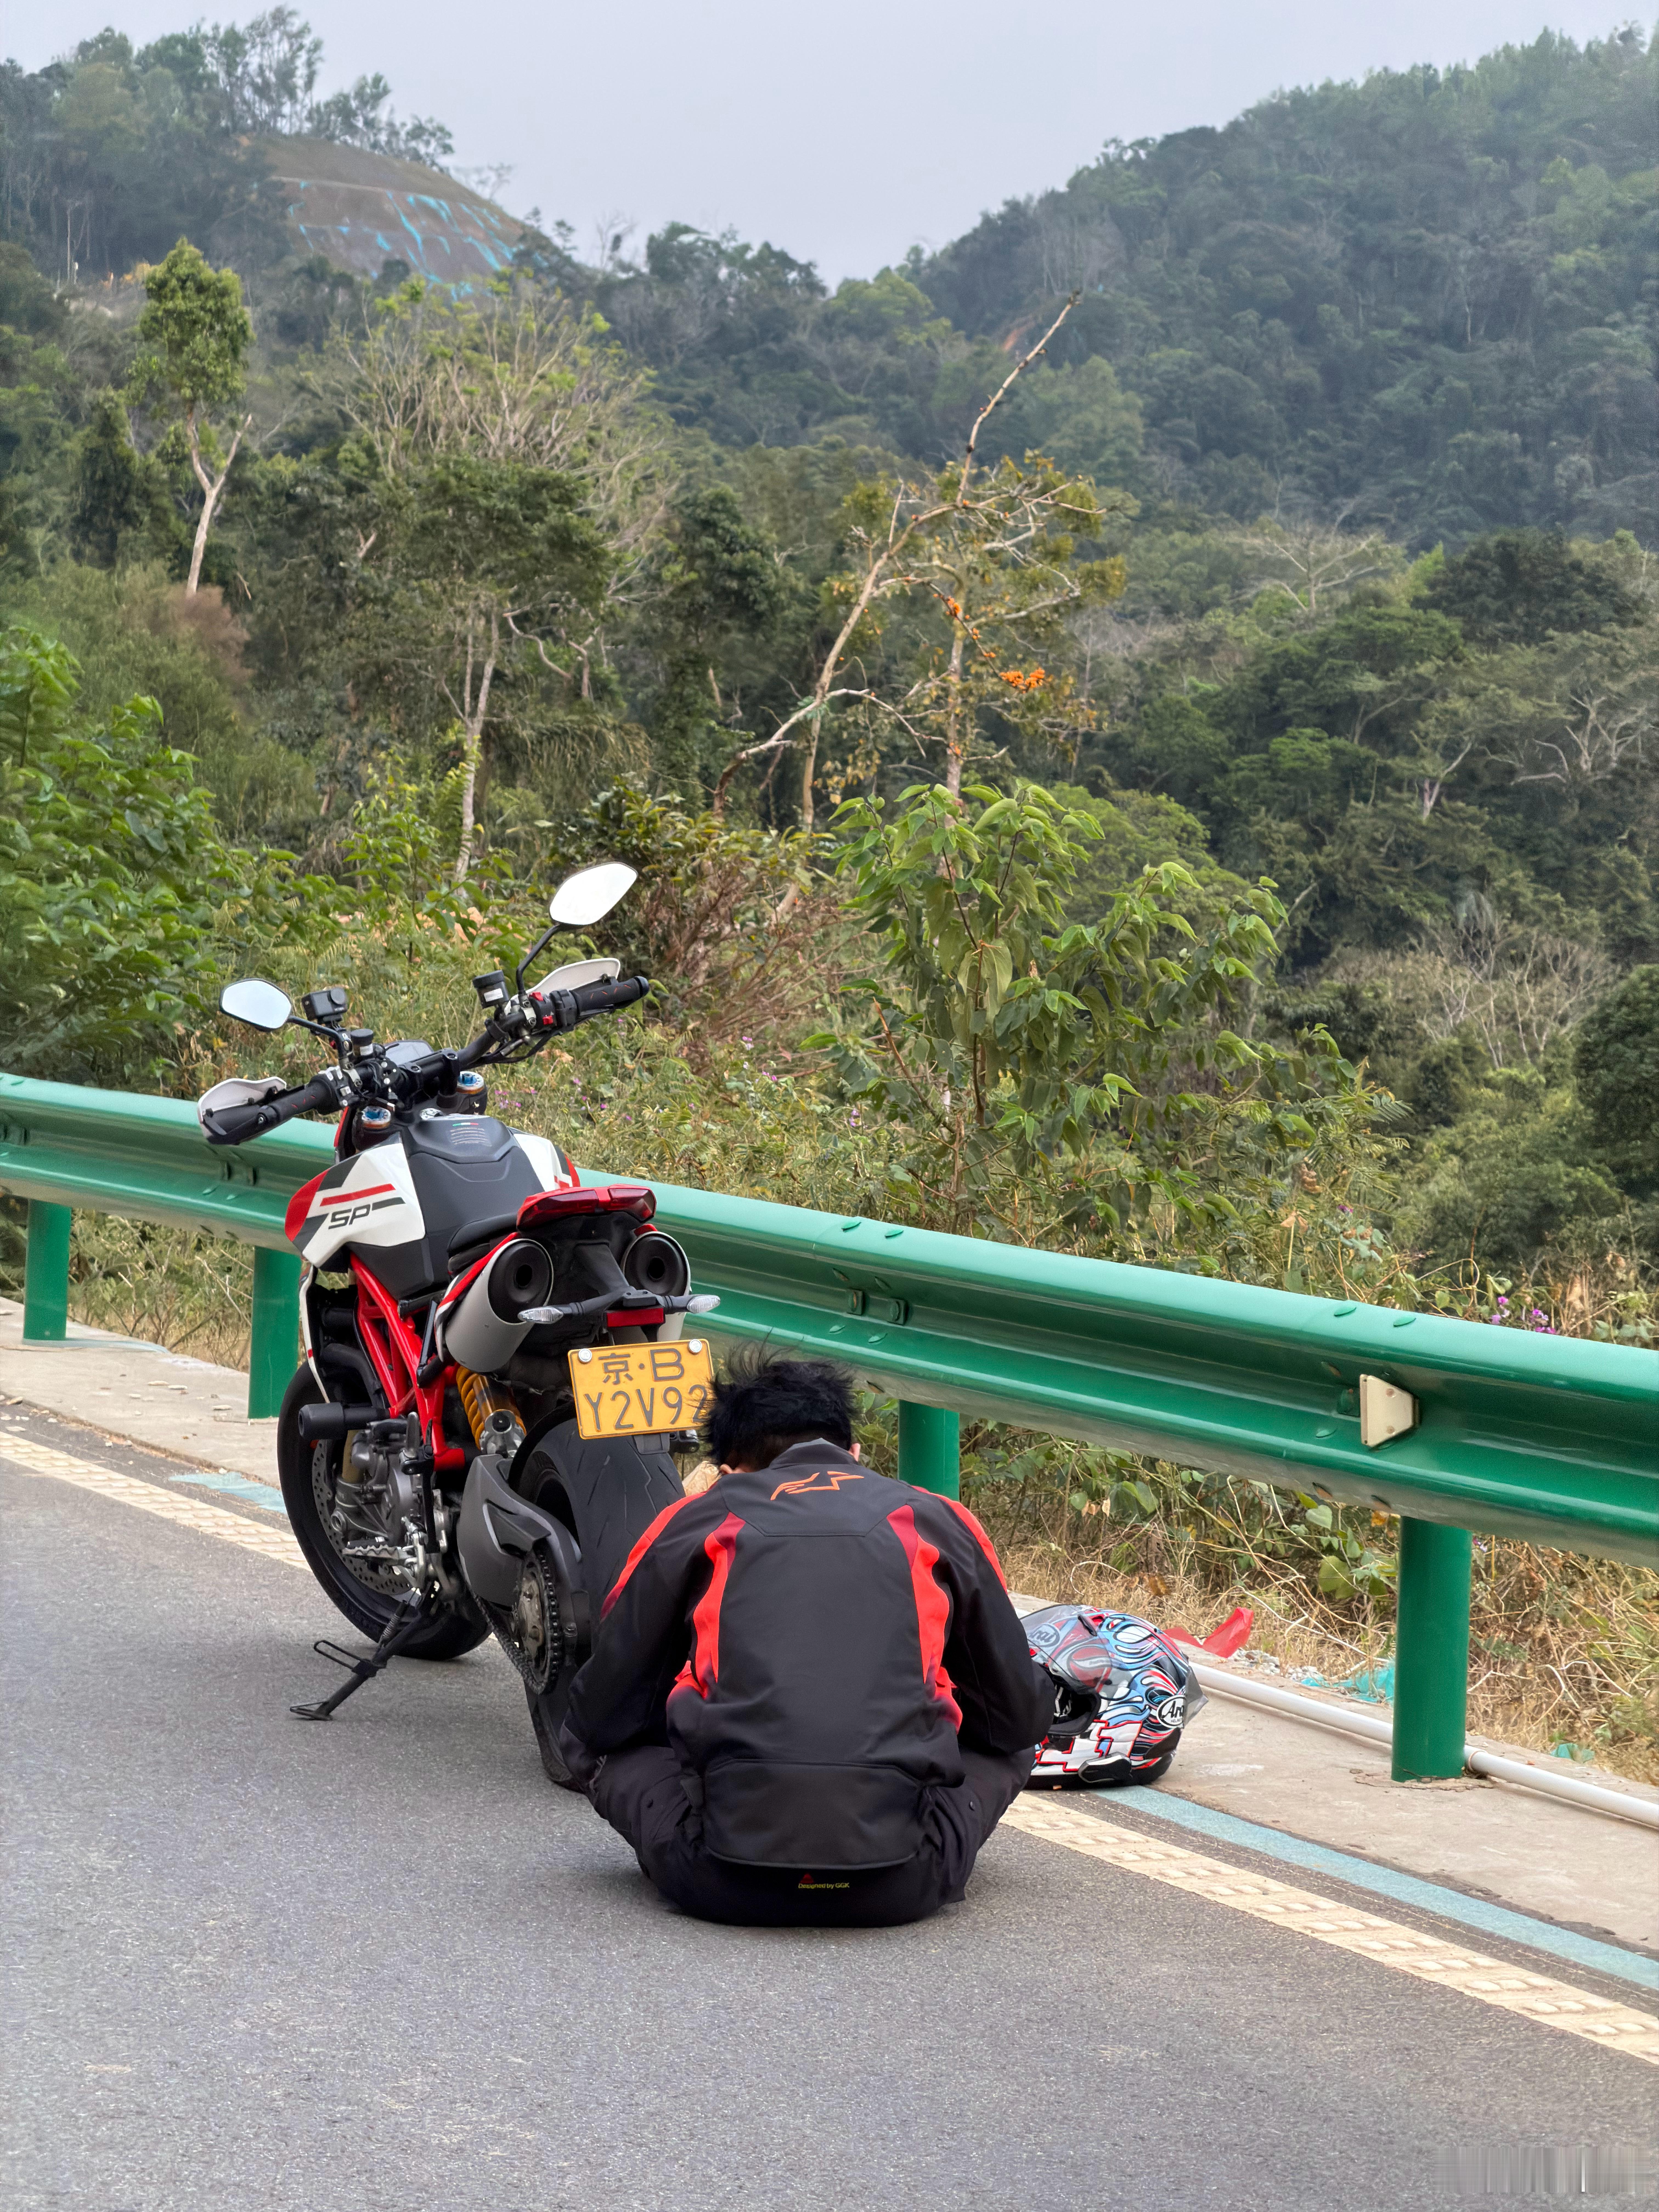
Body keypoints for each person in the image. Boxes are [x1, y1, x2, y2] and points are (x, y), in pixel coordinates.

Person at [559, 1351, 1050, 1927]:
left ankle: (720, 1828)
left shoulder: (697, 1518)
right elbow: (1015, 1718)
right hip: (908, 1881)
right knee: (1014, 1733)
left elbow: (603, 1710)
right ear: (854, 1452)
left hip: (718, 1880)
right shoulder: (936, 1518)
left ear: (729, 1470)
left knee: (586, 1736)